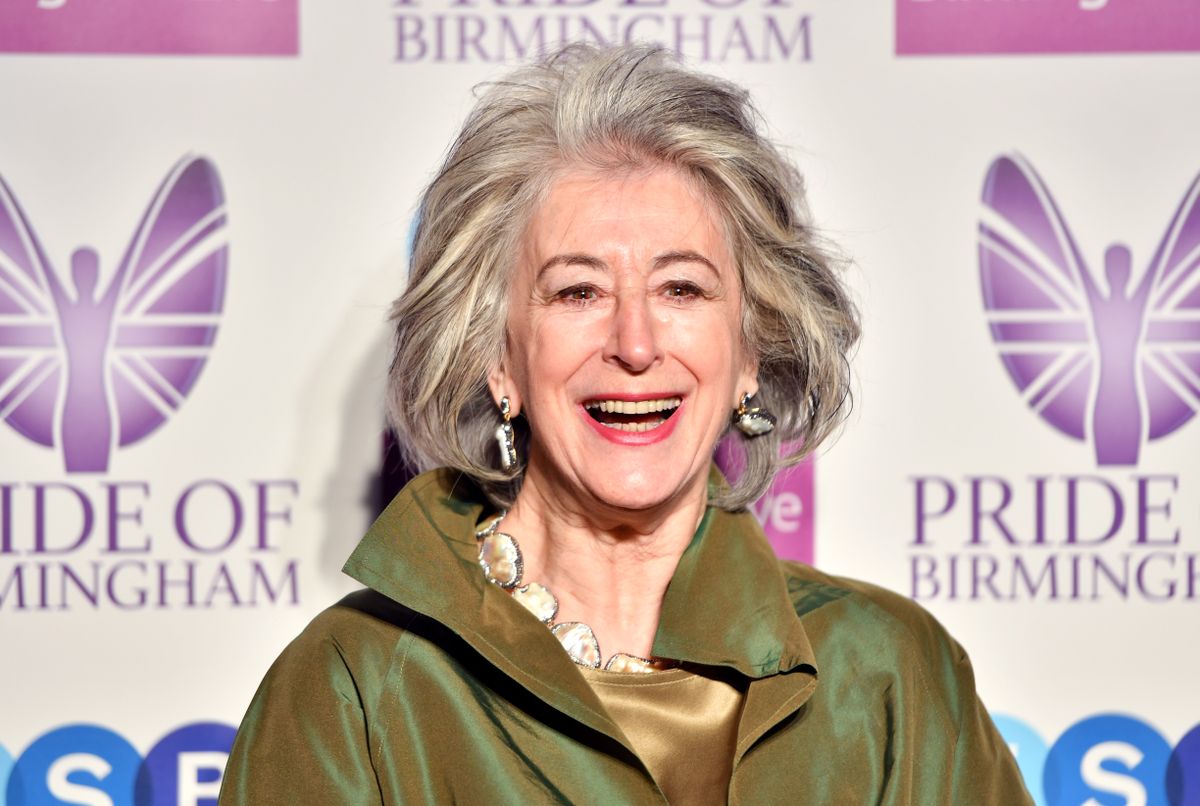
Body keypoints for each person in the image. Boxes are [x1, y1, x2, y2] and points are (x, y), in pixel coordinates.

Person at [219, 44, 1032, 805]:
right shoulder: (355, 686)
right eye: (578, 292)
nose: (635, 345)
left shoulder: (888, 673)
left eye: (682, 289)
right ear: (497, 357)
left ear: (750, 350)